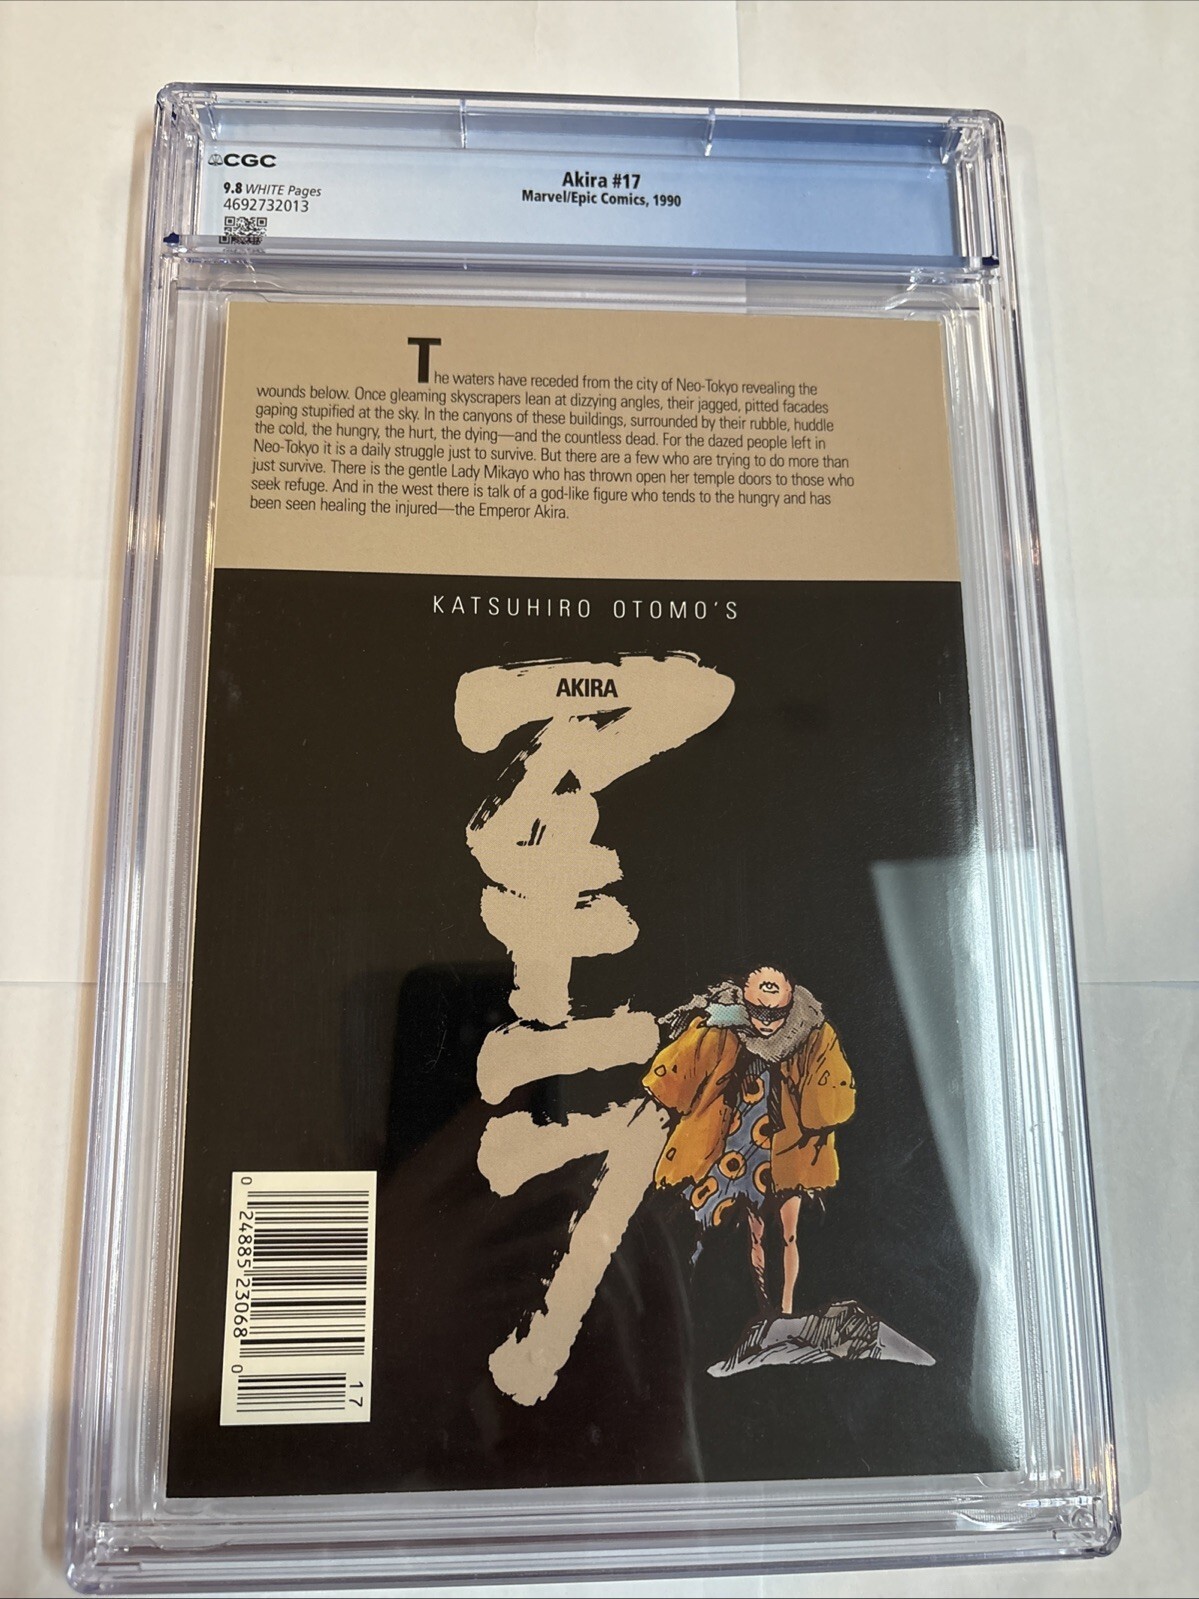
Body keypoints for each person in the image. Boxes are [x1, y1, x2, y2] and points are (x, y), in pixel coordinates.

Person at [644, 966, 855, 1317]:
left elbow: (832, 1103)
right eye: (757, 1011)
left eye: (776, 1013)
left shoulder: (814, 1032)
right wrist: (710, 1022)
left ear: (791, 1004)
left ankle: (786, 1309)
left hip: (790, 1148)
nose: (766, 1022)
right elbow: (677, 1080)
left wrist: (802, 1081)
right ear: (744, 1002)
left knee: (789, 1233)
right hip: (736, 1140)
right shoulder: (728, 1027)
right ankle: (764, 1308)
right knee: (750, 1232)